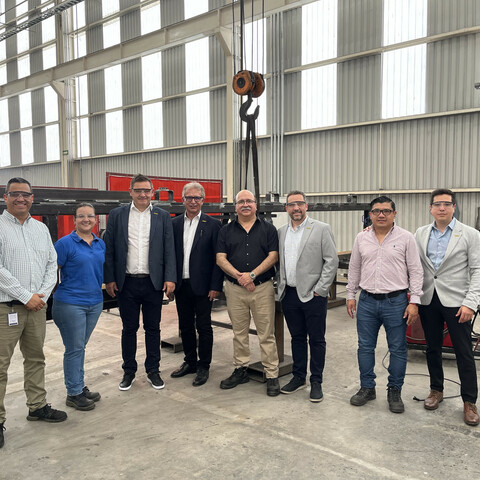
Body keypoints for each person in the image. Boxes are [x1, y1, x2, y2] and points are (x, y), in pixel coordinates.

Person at [0, 178, 67, 449]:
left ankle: (37, 406)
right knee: (0, 366)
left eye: (25, 194)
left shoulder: (40, 228)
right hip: (6, 308)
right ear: (5, 197)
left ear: (32, 197)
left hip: (37, 307)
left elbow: (52, 263)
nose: (20, 198)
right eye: (14, 194)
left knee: (36, 359)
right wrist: (26, 296)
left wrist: (42, 295)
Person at [346, 195, 423, 413]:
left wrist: (414, 301)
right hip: (367, 301)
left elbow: (416, 270)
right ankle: (367, 387)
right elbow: (354, 267)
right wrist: (350, 294)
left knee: (397, 348)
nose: (381, 215)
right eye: (376, 211)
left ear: (394, 214)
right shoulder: (361, 238)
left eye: (386, 211)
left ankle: (394, 390)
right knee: (365, 347)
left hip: (396, 302)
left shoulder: (406, 238)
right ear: (370, 215)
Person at [104, 174, 176, 391]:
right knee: (129, 328)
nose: (142, 194)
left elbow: (169, 248)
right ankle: (129, 371)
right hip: (126, 283)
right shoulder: (117, 215)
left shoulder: (162, 216)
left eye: (146, 190)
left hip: (153, 283)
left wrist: (169, 277)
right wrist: (109, 278)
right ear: (131, 192)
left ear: (152, 192)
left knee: (153, 328)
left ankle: (153, 370)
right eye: (138, 190)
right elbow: (109, 249)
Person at [415, 189, 480, 426]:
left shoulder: (470, 234)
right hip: (428, 300)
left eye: (446, 204)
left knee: (464, 352)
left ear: (454, 207)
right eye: (437, 204)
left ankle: (469, 401)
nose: (441, 208)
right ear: (430, 208)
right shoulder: (420, 233)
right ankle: (436, 390)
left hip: (458, 303)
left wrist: (470, 303)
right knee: (432, 348)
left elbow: (477, 270)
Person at [216, 189, 280, 396]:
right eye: (241, 201)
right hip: (235, 289)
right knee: (239, 332)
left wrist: (251, 275)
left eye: (249, 201)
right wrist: (240, 277)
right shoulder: (226, 230)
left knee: (266, 333)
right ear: (235, 206)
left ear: (255, 205)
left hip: (262, 288)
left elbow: (273, 256)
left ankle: (271, 374)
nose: (245, 204)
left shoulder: (268, 229)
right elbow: (220, 258)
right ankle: (241, 369)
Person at [276, 191, 339, 402]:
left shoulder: (321, 229)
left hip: (313, 295)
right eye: (292, 204)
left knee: (317, 339)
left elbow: (331, 261)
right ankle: (298, 377)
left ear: (306, 206)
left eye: (300, 204)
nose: (296, 208)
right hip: (289, 294)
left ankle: (316, 381)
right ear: (286, 208)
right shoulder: (281, 232)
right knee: (297, 338)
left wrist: (320, 289)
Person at [52, 203, 105, 411]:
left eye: (90, 216)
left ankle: (79, 386)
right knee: (74, 348)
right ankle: (73, 393)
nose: (86, 219)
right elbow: (51, 271)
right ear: (74, 220)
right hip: (70, 303)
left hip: (94, 302)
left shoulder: (100, 243)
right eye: (81, 216)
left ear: (95, 220)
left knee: (80, 347)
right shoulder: (64, 244)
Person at [170, 182, 223, 386]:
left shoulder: (213, 225)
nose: (193, 201)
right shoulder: (174, 224)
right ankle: (190, 362)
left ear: (203, 200)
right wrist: (170, 281)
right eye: (189, 198)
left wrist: (215, 286)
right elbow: (169, 255)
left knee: (204, 326)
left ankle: (204, 366)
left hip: (203, 286)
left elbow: (218, 258)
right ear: (183, 200)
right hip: (181, 285)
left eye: (197, 198)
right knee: (185, 326)